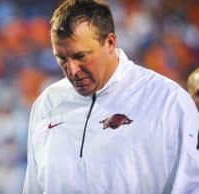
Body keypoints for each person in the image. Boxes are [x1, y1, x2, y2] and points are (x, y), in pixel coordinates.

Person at [23, 0, 199, 194]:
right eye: (61, 58)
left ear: (110, 42)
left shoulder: (168, 102)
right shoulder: (47, 104)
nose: (72, 70)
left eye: (81, 56)